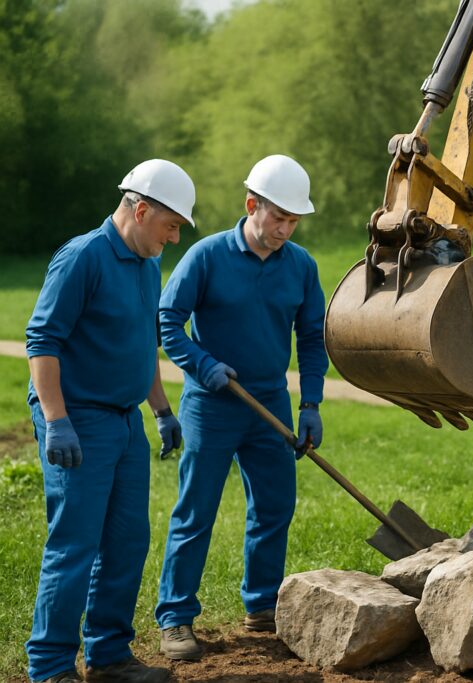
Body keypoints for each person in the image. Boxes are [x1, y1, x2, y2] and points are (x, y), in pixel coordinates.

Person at [24, 159, 195, 683]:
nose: (172, 238)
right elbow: (42, 342)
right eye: (170, 226)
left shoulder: (146, 261)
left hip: (124, 422)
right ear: (140, 210)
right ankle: (51, 666)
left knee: (126, 540)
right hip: (77, 419)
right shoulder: (82, 258)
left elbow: (142, 346)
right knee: (75, 543)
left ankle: (109, 656)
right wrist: (56, 421)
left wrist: (162, 411)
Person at [154, 155, 328, 661]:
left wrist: (311, 403)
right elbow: (168, 321)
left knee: (274, 508)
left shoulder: (300, 265)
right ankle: (176, 618)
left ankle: (261, 605)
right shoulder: (207, 257)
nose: (286, 229)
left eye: (294, 220)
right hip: (211, 404)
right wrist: (200, 363)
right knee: (196, 511)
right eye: (278, 217)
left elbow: (312, 337)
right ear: (252, 205)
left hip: (269, 401)